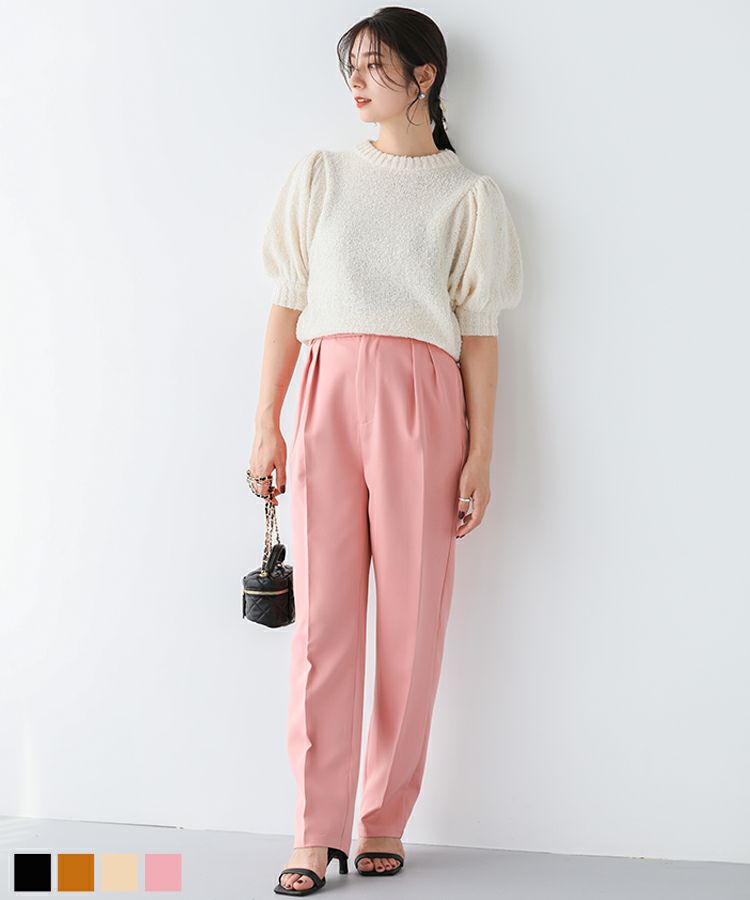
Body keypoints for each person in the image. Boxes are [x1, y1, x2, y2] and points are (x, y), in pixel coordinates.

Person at [248, 8, 523, 895]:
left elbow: (479, 333)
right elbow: (288, 302)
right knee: (325, 624)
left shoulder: (467, 196)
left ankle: (381, 820)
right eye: (352, 68)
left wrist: (481, 454)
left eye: (374, 66)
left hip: (423, 404)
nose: (357, 82)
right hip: (325, 393)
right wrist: (266, 420)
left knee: (412, 619)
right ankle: (313, 830)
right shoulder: (322, 176)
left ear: (424, 77)